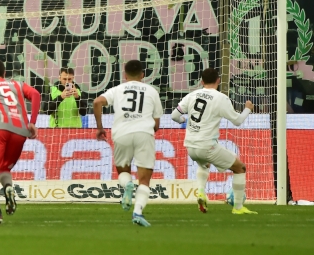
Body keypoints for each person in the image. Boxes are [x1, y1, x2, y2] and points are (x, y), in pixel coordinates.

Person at [171, 68, 257, 215]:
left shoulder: (192, 95)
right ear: (218, 80)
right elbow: (237, 121)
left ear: (201, 81)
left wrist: (183, 119)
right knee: (240, 168)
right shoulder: (221, 98)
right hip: (207, 145)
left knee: (204, 164)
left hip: (190, 146)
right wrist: (247, 109)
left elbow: (174, 116)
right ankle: (238, 208)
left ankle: (201, 192)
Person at [93, 60, 163, 227]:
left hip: (122, 133)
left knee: (123, 171)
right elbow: (157, 124)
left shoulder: (117, 90)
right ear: (142, 74)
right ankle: (137, 212)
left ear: (125, 75)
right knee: (144, 180)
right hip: (144, 133)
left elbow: (97, 102)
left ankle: (128, 185)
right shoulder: (152, 92)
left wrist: (100, 128)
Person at [0, 59, 40, 226]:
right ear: (5, 73)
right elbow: (35, 94)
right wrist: (32, 121)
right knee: (3, 168)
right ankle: (8, 188)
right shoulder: (17, 84)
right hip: (20, 131)